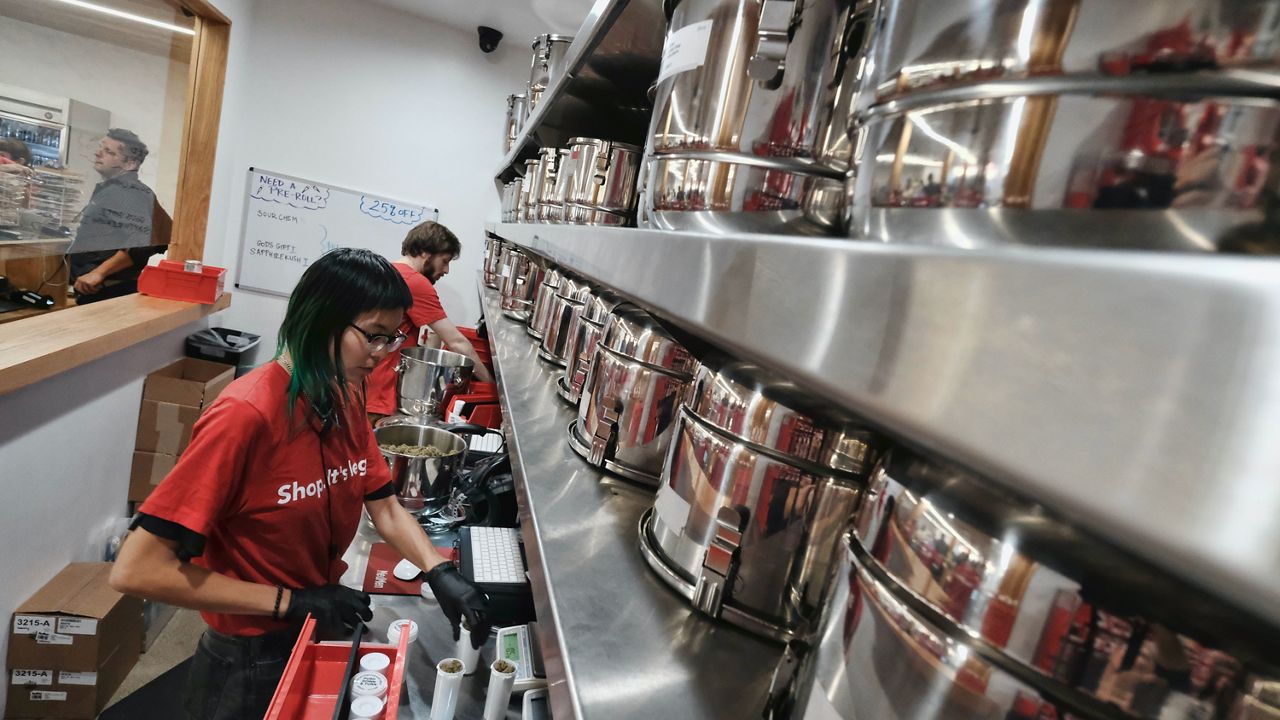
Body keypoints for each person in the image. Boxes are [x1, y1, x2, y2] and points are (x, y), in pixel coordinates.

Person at [109, 248, 491, 720]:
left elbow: (385, 506)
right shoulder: (246, 415)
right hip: (246, 657)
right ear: (319, 320)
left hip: (308, 624)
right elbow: (137, 570)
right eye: (371, 336)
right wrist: (292, 600)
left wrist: (440, 572)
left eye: (390, 340)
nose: (380, 354)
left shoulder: (344, 395)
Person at [367, 220, 494, 420]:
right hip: (378, 390)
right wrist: (490, 385)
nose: (446, 270)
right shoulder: (415, 282)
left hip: (365, 383)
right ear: (425, 252)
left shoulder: (388, 270)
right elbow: (457, 342)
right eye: (444, 261)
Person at [67, 128, 171, 304]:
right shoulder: (114, 190)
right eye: (101, 147)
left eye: (109, 152)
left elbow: (141, 245)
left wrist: (99, 272)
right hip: (99, 289)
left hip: (110, 291)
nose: (98, 153)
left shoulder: (128, 193)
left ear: (130, 163)